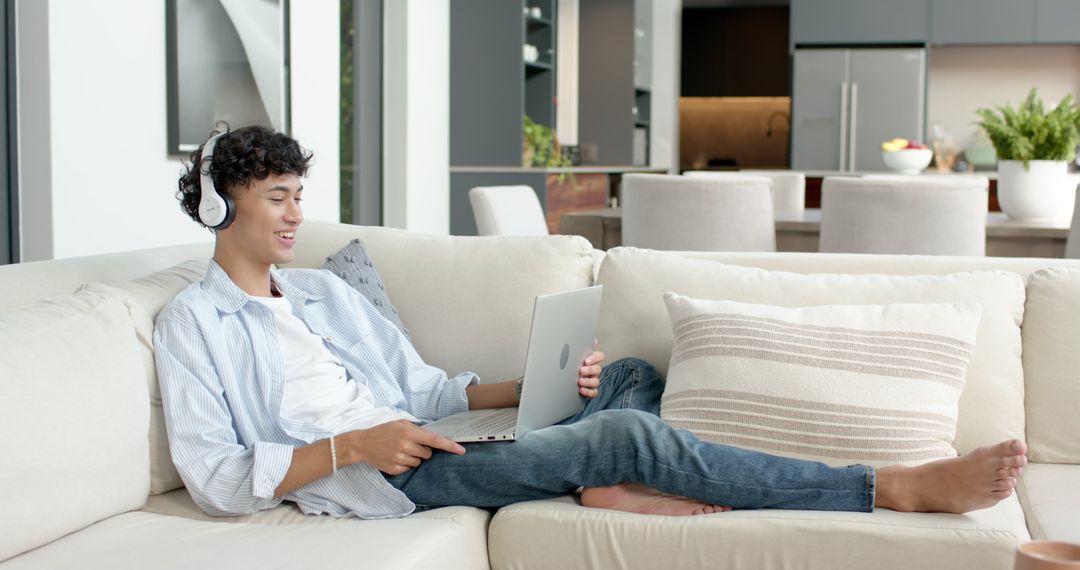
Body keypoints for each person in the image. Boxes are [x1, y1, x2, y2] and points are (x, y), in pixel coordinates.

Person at [154, 125, 1027, 520]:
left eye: (299, 197)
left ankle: (596, 478)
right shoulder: (193, 325)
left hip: (423, 432)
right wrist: (358, 448)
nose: (296, 217)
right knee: (623, 433)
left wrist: (534, 386)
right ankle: (891, 487)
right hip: (383, 477)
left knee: (628, 379)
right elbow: (219, 480)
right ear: (217, 208)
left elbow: (427, 389)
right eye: (277, 199)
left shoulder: (322, 295)